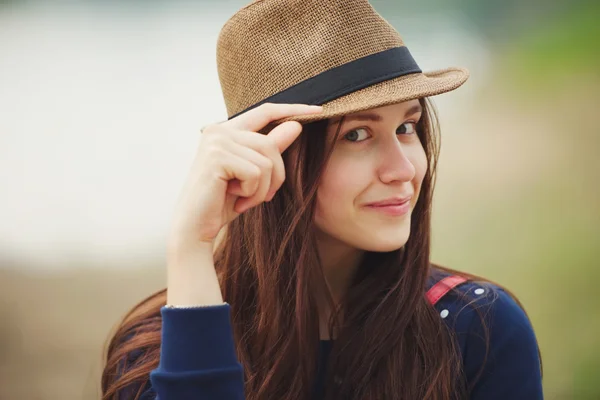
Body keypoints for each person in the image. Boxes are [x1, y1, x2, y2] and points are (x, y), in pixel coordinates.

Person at [101, 0, 543, 399]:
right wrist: (190, 245)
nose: (404, 169)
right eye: (356, 134)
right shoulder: (156, 350)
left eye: (406, 127)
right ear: (271, 154)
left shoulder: (478, 328)